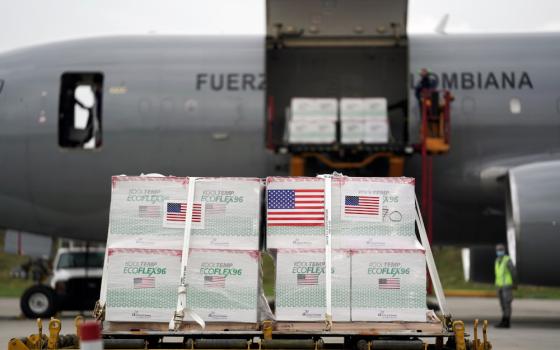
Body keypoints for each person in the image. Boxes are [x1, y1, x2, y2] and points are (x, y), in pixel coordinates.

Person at [494, 243, 517, 328]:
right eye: (498, 250)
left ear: (504, 250)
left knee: (507, 303)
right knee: (502, 304)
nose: (499, 251)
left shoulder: (507, 260)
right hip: (499, 286)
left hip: (507, 286)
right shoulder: (497, 260)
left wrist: (515, 284)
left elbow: (513, 273)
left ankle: (507, 321)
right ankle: (503, 320)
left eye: (501, 249)